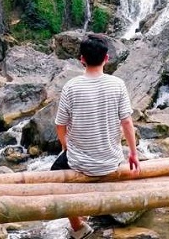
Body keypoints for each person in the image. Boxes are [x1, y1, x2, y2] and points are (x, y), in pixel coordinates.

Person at [52, 34, 140, 239]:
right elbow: (127, 122)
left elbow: (60, 124)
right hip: (111, 161)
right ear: (107, 58)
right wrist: (133, 154)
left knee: (55, 175)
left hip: (80, 163)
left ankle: (78, 226)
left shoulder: (71, 87)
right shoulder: (117, 84)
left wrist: (65, 146)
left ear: (81, 59)